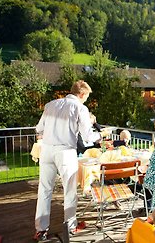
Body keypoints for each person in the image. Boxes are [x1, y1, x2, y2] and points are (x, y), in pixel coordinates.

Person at [34, 80, 110, 241]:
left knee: (45, 190)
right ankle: (70, 226)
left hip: (46, 149)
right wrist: (102, 135)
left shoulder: (50, 105)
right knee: (69, 191)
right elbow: (88, 136)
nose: (86, 100)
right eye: (87, 97)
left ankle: (41, 230)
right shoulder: (80, 108)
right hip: (65, 151)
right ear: (82, 94)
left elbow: (39, 129)